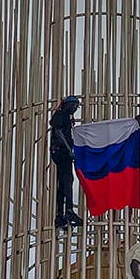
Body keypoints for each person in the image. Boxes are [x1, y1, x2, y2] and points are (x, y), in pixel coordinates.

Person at [50, 95, 84, 228]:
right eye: (75, 105)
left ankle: (60, 215)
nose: (76, 108)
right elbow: (58, 132)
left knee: (62, 183)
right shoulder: (61, 114)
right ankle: (68, 210)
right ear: (68, 105)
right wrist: (69, 149)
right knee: (68, 179)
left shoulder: (64, 115)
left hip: (60, 151)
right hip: (61, 152)